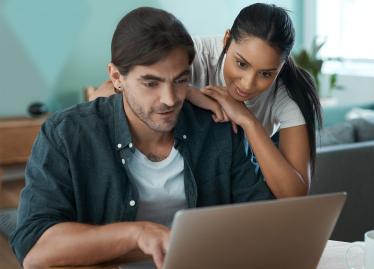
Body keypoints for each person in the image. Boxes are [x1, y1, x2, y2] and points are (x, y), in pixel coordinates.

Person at [10, 7, 273, 269]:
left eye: (180, 80)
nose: (170, 99)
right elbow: (34, 250)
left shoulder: (219, 128)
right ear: (116, 77)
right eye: (151, 83)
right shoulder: (66, 134)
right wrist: (138, 234)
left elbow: (262, 224)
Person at [91, 3, 322, 199]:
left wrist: (247, 120)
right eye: (241, 64)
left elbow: (295, 193)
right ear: (226, 39)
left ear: (281, 66)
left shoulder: (288, 93)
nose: (247, 84)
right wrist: (188, 91)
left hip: (241, 186)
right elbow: (101, 96)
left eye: (266, 74)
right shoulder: (195, 54)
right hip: (188, 176)